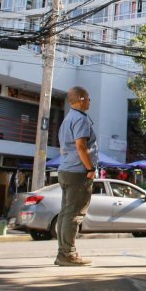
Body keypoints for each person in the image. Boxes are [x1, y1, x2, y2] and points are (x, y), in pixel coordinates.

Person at [55, 86, 96, 267]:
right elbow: (81, 146)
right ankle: (68, 254)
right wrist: (90, 168)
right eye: (88, 98)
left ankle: (63, 252)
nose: (89, 101)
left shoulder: (67, 119)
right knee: (74, 214)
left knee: (65, 213)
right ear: (80, 98)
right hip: (78, 172)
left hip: (65, 170)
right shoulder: (80, 119)